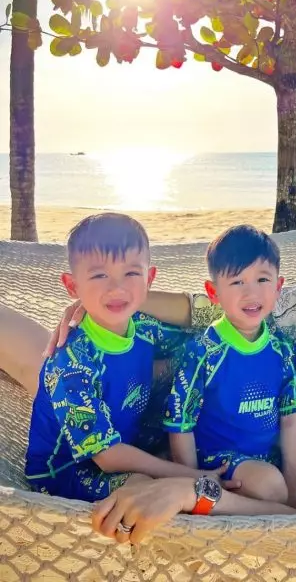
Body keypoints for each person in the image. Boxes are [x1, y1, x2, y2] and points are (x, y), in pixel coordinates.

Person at [0, 224, 296, 542]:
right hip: (147, 395)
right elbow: (210, 308)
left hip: (231, 469)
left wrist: (196, 492)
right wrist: (105, 301)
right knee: (41, 362)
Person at [25, 213, 226, 504]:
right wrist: (189, 475)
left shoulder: (144, 328)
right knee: (144, 487)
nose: (116, 288)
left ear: (149, 279)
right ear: (72, 287)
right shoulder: (71, 363)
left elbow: (205, 338)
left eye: (131, 273)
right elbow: (106, 458)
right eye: (99, 276)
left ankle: (260, 506)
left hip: (131, 440)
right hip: (67, 471)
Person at [163, 225, 296, 507]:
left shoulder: (282, 349)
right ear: (213, 292)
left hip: (269, 459)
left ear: (278, 286)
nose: (251, 293)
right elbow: (180, 423)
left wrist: (293, 491)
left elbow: (291, 419)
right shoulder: (204, 351)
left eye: (262, 279)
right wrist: (195, 480)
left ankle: (279, 504)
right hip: (217, 462)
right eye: (237, 282)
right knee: (271, 486)